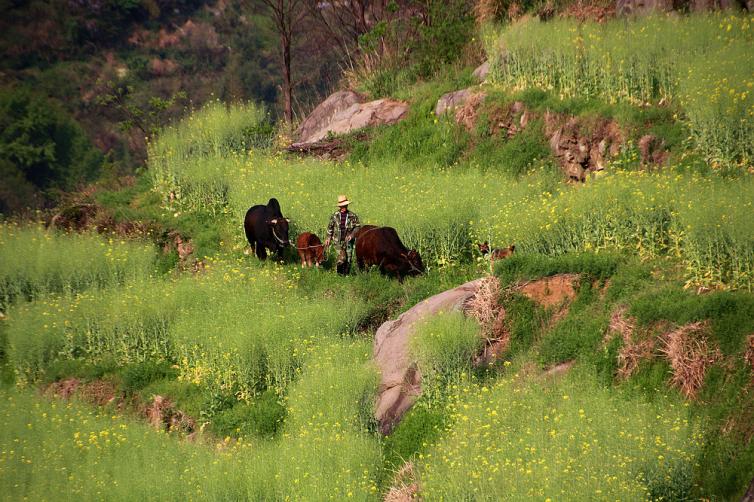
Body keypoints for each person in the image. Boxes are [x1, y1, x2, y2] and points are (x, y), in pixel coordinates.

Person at [324, 195, 360, 275]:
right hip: (337, 240)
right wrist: (328, 237)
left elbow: (357, 227)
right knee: (341, 258)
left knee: (349, 258)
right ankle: (338, 274)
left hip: (348, 241)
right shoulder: (334, 215)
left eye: (344, 206)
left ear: (347, 205)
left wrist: (352, 235)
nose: (343, 207)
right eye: (341, 206)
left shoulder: (353, 216)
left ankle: (346, 274)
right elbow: (330, 227)